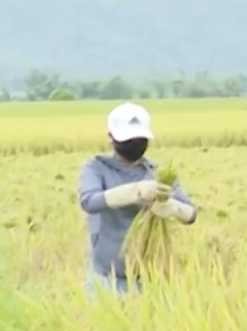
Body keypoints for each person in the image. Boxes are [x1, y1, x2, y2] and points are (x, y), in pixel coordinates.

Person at [77, 102, 198, 294]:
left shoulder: (157, 172)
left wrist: (173, 207)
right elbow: (89, 202)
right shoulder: (96, 167)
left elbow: (191, 214)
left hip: (153, 278)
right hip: (107, 278)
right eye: (128, 139)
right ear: (110, 137)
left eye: (139, 139)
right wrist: (137, 191)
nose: (134, 144)